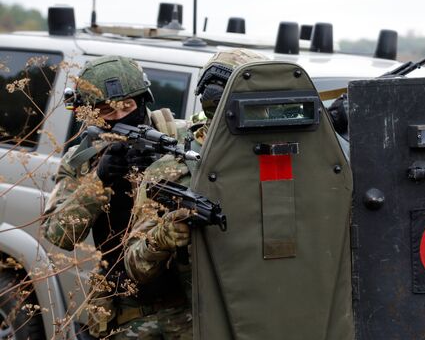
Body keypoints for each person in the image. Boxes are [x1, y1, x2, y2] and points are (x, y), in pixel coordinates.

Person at [124, 48, 269, 338]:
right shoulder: (172, 170)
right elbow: (133, 265)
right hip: (201, 323)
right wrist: (162, 237)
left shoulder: (290, 159)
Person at [42, 55, 190, 339]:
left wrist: (165, 167)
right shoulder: (81, 160)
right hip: (126, 313)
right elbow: (58, 234)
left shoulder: (181, 139)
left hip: (187, 307)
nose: (120, 117)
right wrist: (99, 181)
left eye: (127, 106)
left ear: (143, 101)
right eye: (107, 111)